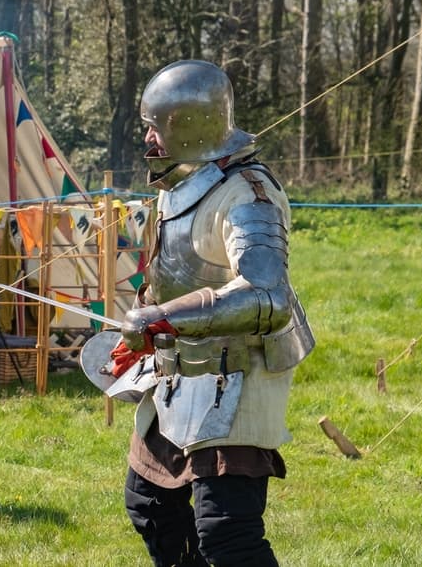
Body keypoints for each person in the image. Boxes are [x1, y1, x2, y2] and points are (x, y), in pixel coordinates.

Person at [111, 60, 314, 566]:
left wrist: (163, 317)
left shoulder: (248, 194)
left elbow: (268, 294)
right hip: (179, 371)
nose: (149, 137)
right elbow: (175, 272)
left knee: (227, 534)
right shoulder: (181, 184)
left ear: (187, 126)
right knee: (151, 505)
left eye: (156, 126)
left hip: (239, 373)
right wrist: (142, 318)